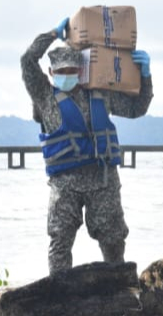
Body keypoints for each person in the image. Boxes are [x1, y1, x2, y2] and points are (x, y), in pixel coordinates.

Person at [21, 23, 153, 275]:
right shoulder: (44, 95)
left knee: (113, 238)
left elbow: (137, 109)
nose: (67, 75)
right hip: (65, 183)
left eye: (72, 70)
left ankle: (118, 287)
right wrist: (51, 35)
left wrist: (145, 75)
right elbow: (27, 60)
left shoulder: (100, 94)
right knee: (60, 239)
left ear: (81, 71)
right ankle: (59, 291)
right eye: (61, 71)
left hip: (102, 178)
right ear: (51, 72)